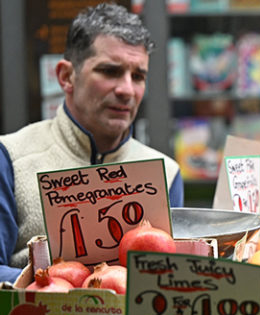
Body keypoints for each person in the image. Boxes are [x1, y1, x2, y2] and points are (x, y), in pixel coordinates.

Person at [0, 3, 184, 283]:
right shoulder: (11, 157)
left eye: (138, 76)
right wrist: (60, 287)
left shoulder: (166, 173)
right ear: (66, 77)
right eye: (110, 71)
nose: (127, 90)